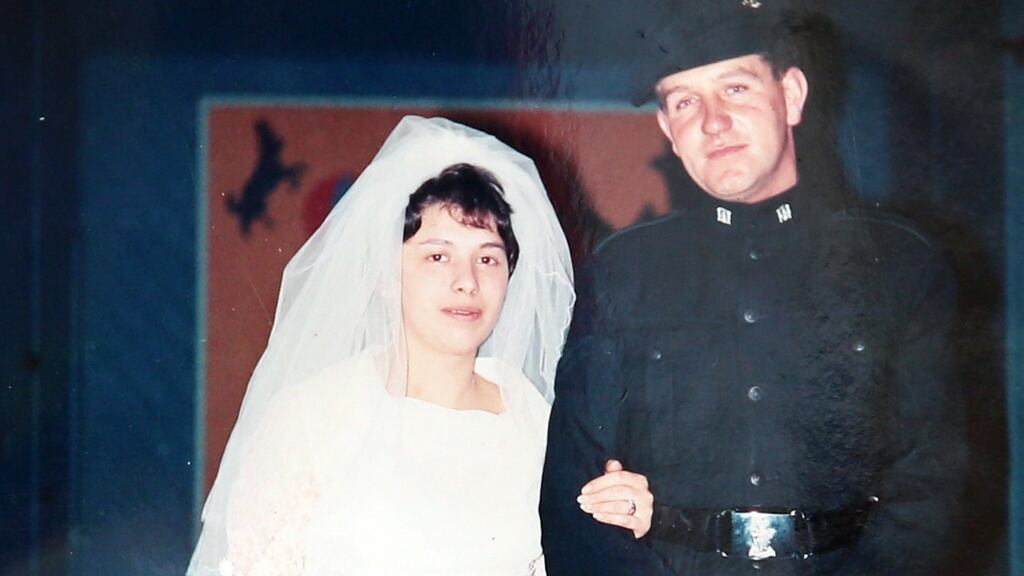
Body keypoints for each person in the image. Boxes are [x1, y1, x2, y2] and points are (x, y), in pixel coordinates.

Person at [540, 3, 966, 575]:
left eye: (735, 88)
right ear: (668, 129)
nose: (712, 122)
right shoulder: (623, 272)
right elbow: (575, 484)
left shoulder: (898, 265)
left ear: (790, 95)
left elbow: (931, 489)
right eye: (685, 101)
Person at [187, 116, 652, 576]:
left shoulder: (535, 420)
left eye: (487, 258)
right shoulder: (314, 417)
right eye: (437, 255)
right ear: (388, 274)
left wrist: (621, 523)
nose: (466, 282)